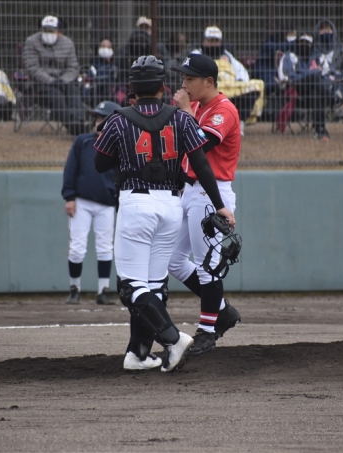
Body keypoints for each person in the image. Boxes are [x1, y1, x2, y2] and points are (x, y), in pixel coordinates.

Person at [93, 55, 235, 372]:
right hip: (171, 204)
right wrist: (219, 203)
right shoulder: (181, 119)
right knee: (154, 286)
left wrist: (119, 147)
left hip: (136, 204)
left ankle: (173, 339)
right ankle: (139, 353)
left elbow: (99, 163)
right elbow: (200, 163)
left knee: (131, 287)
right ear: (162, 87)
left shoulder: (118, 120)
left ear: (132, 87)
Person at [168, 53, 242, 356]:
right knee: (174, 260)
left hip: (212, 194)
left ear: (208, 81)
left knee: (206, 265)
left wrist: (185, 112)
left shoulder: (224, 110)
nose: (184, 83)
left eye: (190, 78)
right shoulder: (197, 106)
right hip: (191, 190)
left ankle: (208, 331)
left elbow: (201, 145)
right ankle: (221, 310)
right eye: (183, 77)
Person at [62, 100, 119, 306]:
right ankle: (74, 289)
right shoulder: (84, 141)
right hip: (82, 202)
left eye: (103, 118)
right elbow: (71, 169)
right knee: (77, 247)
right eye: (97, 118)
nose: (98, 122)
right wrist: (69, 197)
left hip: (107, 204)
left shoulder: (119, 146)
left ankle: (103, 291)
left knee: (105, 247)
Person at [191, 25, 265, 135]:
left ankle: (239, 122)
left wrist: (239, 81)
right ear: (203, 41)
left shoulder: (227, 55)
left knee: (256, 86)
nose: (213, 44)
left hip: (231, 88)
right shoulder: (196, 55)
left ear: (221, 42)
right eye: (210, 41)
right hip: (208, 89)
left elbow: (241, 71)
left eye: (216, 41)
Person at [23, 15, 86, 136]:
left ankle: (79, 121)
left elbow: (73, 67)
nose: (48, 33)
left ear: (59, 32)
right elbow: (32, 68)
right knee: (56, 95)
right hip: (41, 83)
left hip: (64, 81)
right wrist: (51, 81)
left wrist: (63, 80)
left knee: (73, 90)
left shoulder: (68, 43)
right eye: (45, 30)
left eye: (51, 31)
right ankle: (73, 127)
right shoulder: (31, 42)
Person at [83, 38, 118, 107]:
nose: (106, 49)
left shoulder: (116, 65)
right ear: (99, 48)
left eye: (108, 47)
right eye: (103, 47)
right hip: (97, 96)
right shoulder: (93, 65)